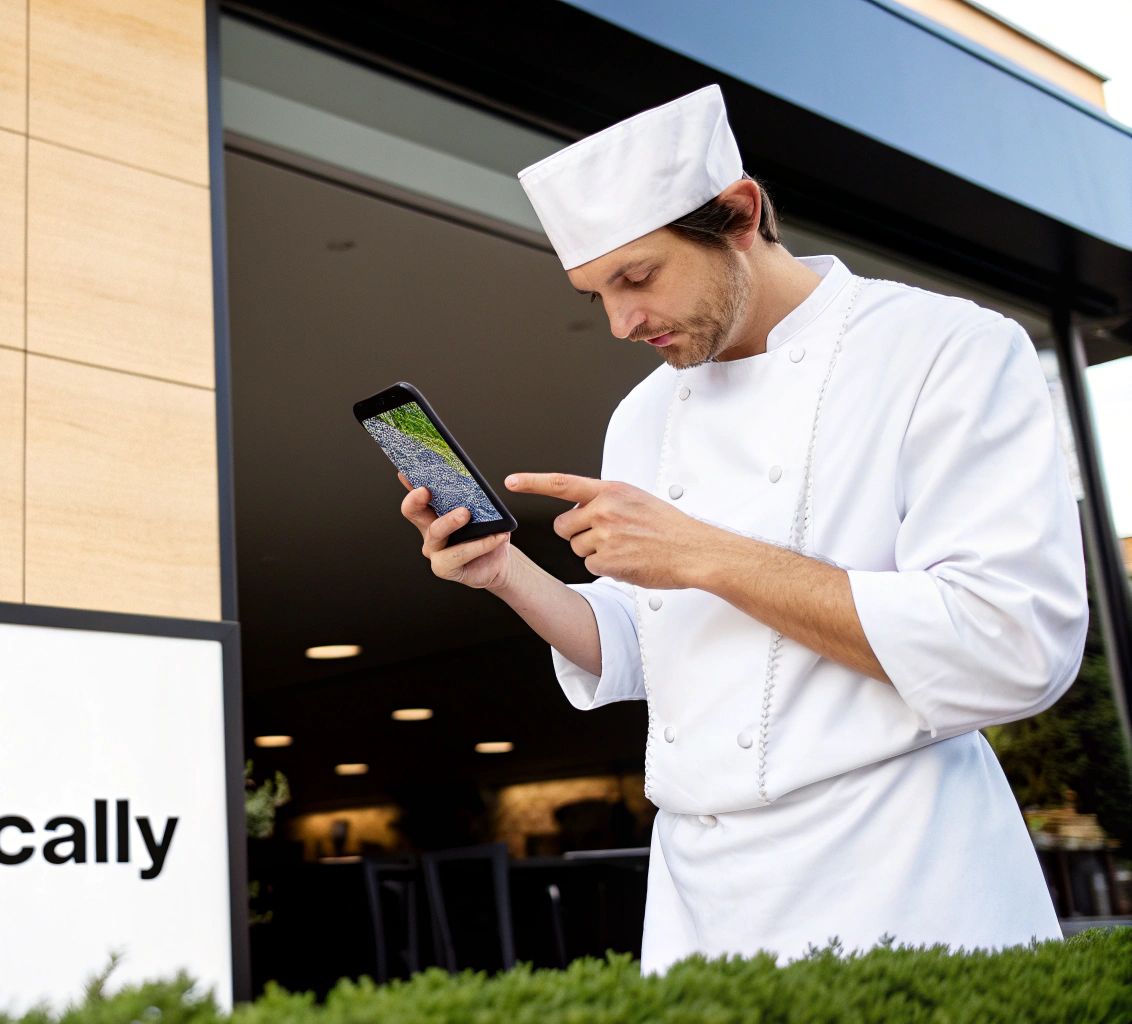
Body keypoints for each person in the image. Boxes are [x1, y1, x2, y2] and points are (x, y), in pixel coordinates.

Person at [395, 83, 1089, 974]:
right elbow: (644, 644)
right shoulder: (644, 415)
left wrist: (701, 553)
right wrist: (504, 573)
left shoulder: (944, 349)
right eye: (594, 293)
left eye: (638, 277)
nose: (621, 322)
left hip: (900, 864)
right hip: (702, 890)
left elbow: (1011, 643)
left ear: (741, 215)